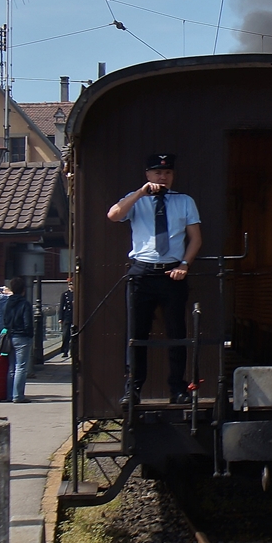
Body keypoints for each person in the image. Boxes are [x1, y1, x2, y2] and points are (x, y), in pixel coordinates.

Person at [107, 153, 202, 405]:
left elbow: (196, 238)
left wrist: (185, 264)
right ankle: (133, 388)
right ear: (148, 175)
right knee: (136, 332)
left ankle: (178, 388)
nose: (163, 177)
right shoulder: (135, 200)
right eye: (158, 173)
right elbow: (113, 215)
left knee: (176, 332)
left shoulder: (184, 201)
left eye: (168, 173)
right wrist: (140, 193)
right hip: (143, 271)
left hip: (172, 271)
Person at [2, 276, 35, 403]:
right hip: (22, 337)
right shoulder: (24, 304)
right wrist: (29, 334)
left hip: (10, 336)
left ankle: (10, 394)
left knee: (11, 367)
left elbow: (5, 320)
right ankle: (18, 395)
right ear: (23, 290)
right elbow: (28, 322)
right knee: (21, 367)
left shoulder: (7, 303)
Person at [58, 277, 74, 359]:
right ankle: (65, 350)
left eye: (72, 284)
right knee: (65, 335)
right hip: (67, 316)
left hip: (74, 316)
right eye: (69, 284)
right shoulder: (65, 295)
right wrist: (60, 317)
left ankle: (73, 351)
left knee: (74, 335)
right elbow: (61, 307)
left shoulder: (76, 294)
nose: (70, 286)